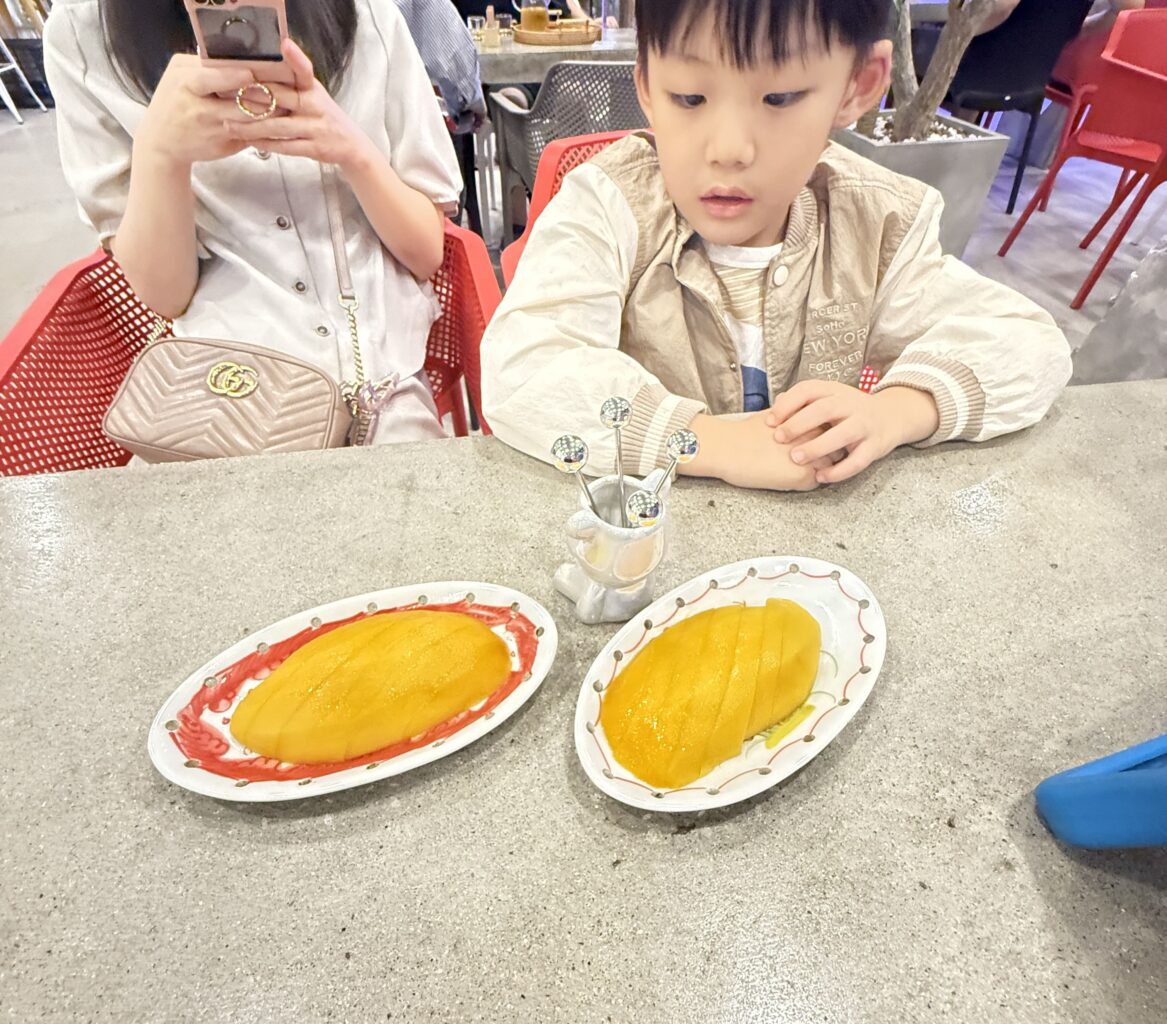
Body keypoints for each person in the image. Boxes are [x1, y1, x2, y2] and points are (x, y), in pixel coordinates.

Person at [480, 0, 1071, 491]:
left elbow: (1028, 342)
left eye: (780, 98)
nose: (730, 148)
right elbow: (523, 368)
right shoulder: (609, 206)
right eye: (690, 97)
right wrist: (710, 441)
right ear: (647, 86)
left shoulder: (876, 220)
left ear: (857, 86)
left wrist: (895, 412)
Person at [44, 0, 463, 444]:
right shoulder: (83, 35)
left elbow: (425, 253)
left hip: (381, 384)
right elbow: (166, 297)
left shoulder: (369, 17)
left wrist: (350, 149)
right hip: (223, 388)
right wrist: (161, 154)